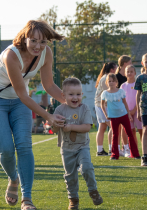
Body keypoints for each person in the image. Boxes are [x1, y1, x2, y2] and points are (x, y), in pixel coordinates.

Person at [0, 20, 66, 210]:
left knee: (24, 146)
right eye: (34, 40)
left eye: (43, 42)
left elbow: (49, 85)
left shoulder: (46, 53)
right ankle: (13, 179)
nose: (38, 46)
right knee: (6, 149)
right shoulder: (11, 55)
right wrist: (49, 117)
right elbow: (23, 94)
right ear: (24, 38)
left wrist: (71, 102)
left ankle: (26, 199)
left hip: (20, 102)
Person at [52, 77, 103, 209]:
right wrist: (55, 123)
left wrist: (71, 127)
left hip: (82, 147)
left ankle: (93, 190)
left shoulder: (84, 108)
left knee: (87, 168)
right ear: (63, 95)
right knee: (70, 176)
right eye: (71, 94)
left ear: (82, 95)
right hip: (66, 149)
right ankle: (73, 199)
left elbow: (87, 127)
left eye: (78, 94)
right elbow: (54, 129)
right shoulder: (59, 110)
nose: (75, 97)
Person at [101, 74, 140, 160]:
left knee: (129, 133)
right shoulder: (105, 93)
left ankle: (135, 154)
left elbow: (125, 103)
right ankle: (114, 155)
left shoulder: (121, 91)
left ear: (116, 82)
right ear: (107, 82)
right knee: (115, 135)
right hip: (113, 117)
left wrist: (129, 114)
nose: (111, 83)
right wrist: (106, 114)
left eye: (113, 81)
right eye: (109, 81)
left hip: (124, 115)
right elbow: (102, 105)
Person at [94, 62, 116, 156]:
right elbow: (109, 92)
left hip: (100, 105)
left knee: (102, 127)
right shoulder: (106, 79)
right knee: (113, 126)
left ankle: (100, 150)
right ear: (112, 70)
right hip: (102, 106)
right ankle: (112, 149)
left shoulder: (105, 77)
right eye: (116, 68)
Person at [115, 55, 132, 156]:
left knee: (129, 128)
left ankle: (127, 148)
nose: (131, 65)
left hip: (129, 107)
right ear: (125, 63)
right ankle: (120, 148)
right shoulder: (116, 77)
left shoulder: (129, 77)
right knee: (119, 128)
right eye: (130, 63)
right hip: (119, 107)